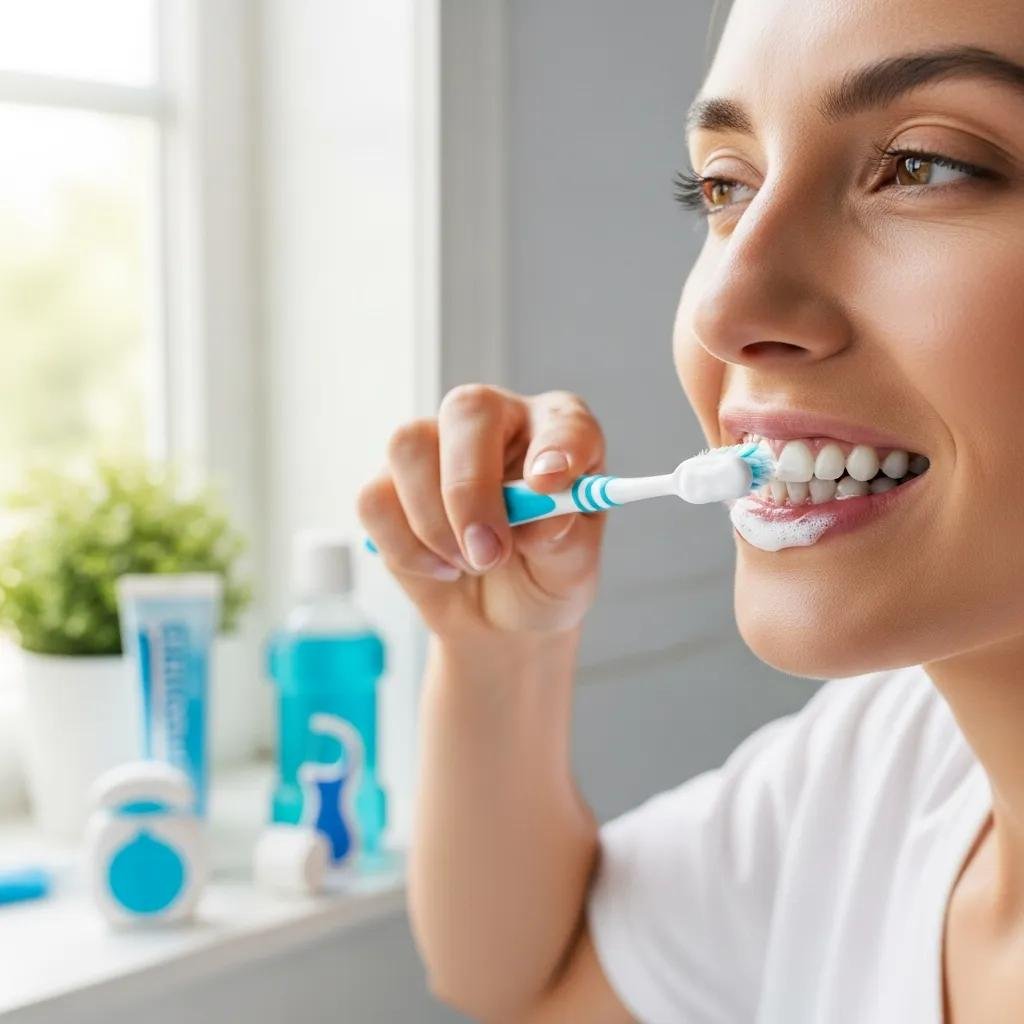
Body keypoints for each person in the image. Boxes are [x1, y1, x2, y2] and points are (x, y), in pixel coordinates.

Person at [356, 0, 1024, 1020]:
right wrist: (500, 650)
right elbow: (533, 979)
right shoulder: (884, 768)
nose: (721, 306)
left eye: (923, 165)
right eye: (724, 185)